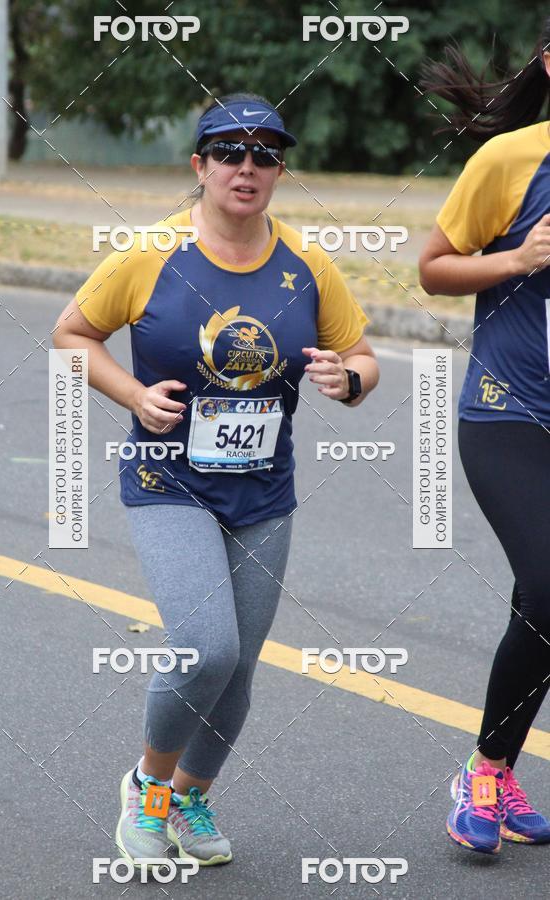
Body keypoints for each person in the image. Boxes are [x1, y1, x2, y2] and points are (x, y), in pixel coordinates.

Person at [53, 92, 379, 869]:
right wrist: (132, 396)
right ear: (199, 166)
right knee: (205, 646)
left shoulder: (307, 265)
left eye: (266, 153)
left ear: (279, 170)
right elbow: (72, 335)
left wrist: (349, 380)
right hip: (168, 481)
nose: (248, 166)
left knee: (238, 664)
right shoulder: (149, 254)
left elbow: (363, 355)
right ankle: (147, 789)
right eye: (229, 151)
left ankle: (193, 794)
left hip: (265, 495)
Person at [419, 22, 550, 855]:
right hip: (510, 413)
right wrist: (519, 258)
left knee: (544, 605)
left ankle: (494, 771)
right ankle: (485, 770)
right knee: (548, 579)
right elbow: (432, 267)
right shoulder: (510, 162)